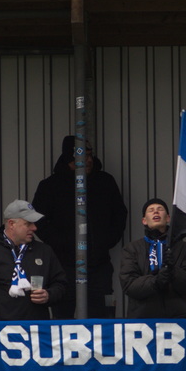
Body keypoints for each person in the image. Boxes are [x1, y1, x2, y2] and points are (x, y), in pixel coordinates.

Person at [31, 136, 127, 318]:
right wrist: (63, 243)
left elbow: (120, 215)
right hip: (64, 266)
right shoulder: (51, 186)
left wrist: (105, 241)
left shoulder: (105, 182)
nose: (88, 160)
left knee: (104, 316)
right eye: (83, 157)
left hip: (99, 265)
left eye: (90, 155)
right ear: (69, 159)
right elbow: (38, 220)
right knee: (62, 318)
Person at [0, 199, 67, 321]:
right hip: (1, 329)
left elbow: (61, 284)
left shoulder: (44, 251)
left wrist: (48, 295)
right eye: (28, 224)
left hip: (37, 329)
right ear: (11, 224)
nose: (34, 228)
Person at [120, 198, 186, 318]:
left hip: (177, 317)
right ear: (144, 220)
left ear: (168, 218)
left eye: (160, 209)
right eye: (151, 210)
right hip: (142, 319)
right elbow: (129, 285)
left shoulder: (184, 248)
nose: (156, 212)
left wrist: (173, 272)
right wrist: (156, 281)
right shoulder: (131, 249)